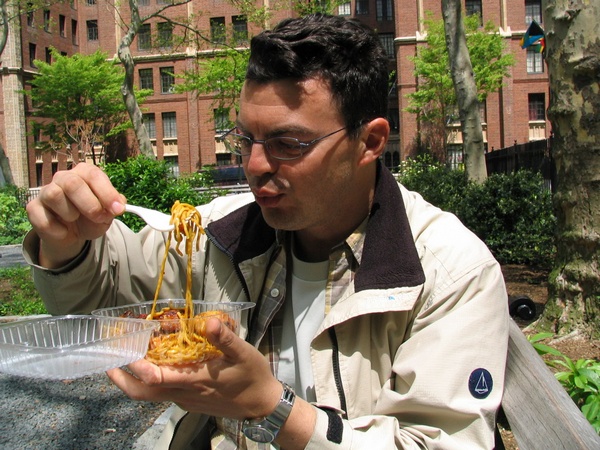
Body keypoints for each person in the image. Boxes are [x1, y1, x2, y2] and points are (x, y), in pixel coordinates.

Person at [24, 13, 509, 450]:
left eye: (288, 143)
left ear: (371, 141)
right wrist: (65, 240)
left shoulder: (447, 273)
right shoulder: (222, 232)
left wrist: (271, 408)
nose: (254, 166)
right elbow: (104, 293)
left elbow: (441, 442)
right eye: (245, 139)